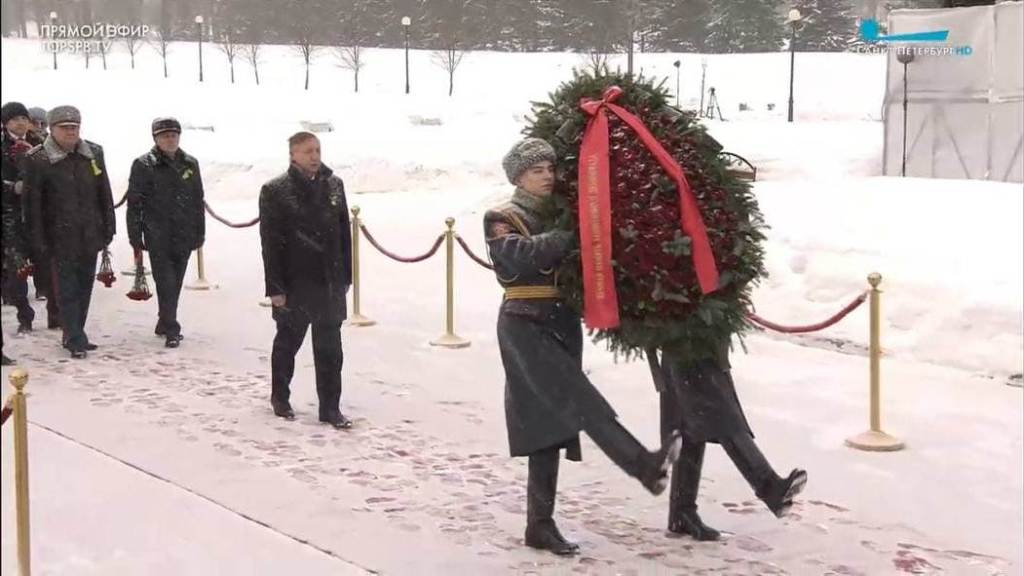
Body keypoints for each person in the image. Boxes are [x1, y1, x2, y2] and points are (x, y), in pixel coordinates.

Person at [485, 137, 683, 557]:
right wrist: (572, 232)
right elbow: (515, 259)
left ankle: (539, 524)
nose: (547, 176)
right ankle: (642, 465)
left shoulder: (560, 212)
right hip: (524, 323)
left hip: (559, 322)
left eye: (550, 169)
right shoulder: (502, 215)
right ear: (519, 175)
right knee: (579, 400)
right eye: (537, 170)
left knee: (548, 426)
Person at [652, 341, 808, 541]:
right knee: (718, 412)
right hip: (684, 329)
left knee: (691, 416)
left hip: (691, 330)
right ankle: (768, 485)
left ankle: (682, 511)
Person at [259, 132, 353, 429]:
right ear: (293, 155)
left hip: (329, 281)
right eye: (307, 151)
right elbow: (271, 243)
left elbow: (343, 235)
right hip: (295, 282)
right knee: (288, 342)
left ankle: (330, 407)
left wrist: (346, 276)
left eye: (317, 150)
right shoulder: (276, 190)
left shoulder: (334, 185)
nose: (314, 156)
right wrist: (275, 288)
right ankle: (280, 396)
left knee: (330, 349)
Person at [23, 105, 115, 359]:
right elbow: (32, 205)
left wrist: (108, 225)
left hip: (89, 232)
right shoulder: (38, 159)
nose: (70, 132)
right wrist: (37, 239)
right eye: (65, 128)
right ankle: (74, 336)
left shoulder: (93, 153)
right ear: (52, 129)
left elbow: (103, 193)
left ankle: (76, 332)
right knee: (66, 289)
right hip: (58, 236)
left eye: (74, 127)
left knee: (85, 286)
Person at [127, 117, 205, 348]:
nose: (170, 140)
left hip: (184, 232)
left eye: (174, 135)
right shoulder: (143, 164)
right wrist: (135, 234)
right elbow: (135, 202)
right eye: (165, 136)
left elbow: (197, 200)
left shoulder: (190, 163)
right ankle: (172, 327)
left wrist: (199, 231)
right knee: (166, 281)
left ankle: (164, 319)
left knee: (176, 281)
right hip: (157, 233)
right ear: (156, 139)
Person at [1, 101, 42, 333]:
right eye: (14, 119)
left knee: (46, 261)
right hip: (10, 213)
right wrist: (11, 187)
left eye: (23, 118)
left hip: (38, 212)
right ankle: (24, 312)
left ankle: (55, 312)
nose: (20, 123)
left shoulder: (39, 143)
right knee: (17, 266)